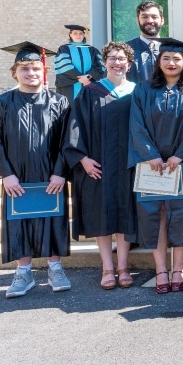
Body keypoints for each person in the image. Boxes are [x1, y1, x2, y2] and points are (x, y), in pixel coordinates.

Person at [0, 42, 71, 298]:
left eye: (35, 68)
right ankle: (23, 273)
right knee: (18, 223)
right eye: (24, 69)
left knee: (53, 219)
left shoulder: (59, 101)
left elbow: (68, 140)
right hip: (16, 175)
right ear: (15, 73)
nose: (31, 73)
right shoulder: (2, 103)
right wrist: (6, 174)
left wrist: (60, 171)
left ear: (43, 71)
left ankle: (55, 268)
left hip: (50, 174)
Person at [129, 38, 183, 294]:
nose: (171, 63)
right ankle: (161, 269)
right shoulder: (143, 90)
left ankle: (178, 269)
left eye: (176, 59)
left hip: (181, 165)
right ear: (158, 62)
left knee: (180, 216)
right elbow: (136, 125)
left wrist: (180, 156)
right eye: (166, 58)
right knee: (156, 216)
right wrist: (150, 154)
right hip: (150, 165)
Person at [63, 41, 137, 290]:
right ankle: (107, 267)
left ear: (129, 63)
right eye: (113, 58)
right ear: (104, 62)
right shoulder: (90, 92)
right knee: (102, 214)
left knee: (127, 214)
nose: (118, 62)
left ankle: (124, 266)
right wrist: (82, 159)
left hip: (129, 166)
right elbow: (75, 126)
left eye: (122, 58)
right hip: (98, 165)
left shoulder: (138, 92)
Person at [54, 24, 104, 102]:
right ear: (70, 35)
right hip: (70, 86)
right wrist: (81, 79)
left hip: (89, 83)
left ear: (84, 35)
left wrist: (87, 77)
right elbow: (65, 66)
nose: (78, 35)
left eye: (81, 33)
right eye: (75, 33)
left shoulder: (92, 50)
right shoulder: (64, 49)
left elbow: (100, 67)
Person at [126, 0, 164, 83]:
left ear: (162, 20)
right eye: (144, 17)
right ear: (137, 20)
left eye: (154, 17)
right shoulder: (125, 50)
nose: (150, 20)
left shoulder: (172, 49)